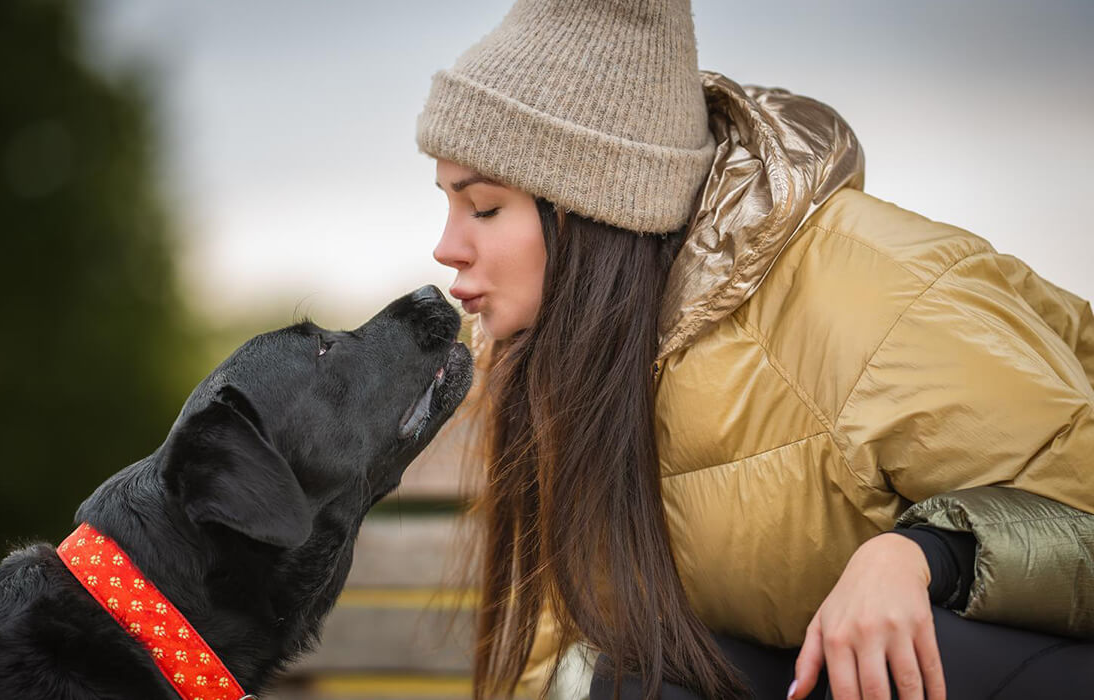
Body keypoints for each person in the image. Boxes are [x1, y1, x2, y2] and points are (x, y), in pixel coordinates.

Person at [415, 1, 1094, 699]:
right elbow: (559, 637)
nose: (446, 247)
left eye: (484, 207)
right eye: (447, 202)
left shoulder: (870, 295)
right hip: (802, 669)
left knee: (903, 662)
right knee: (634, 677)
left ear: (595, 208)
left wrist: (924, 555)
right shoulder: (561, 361)